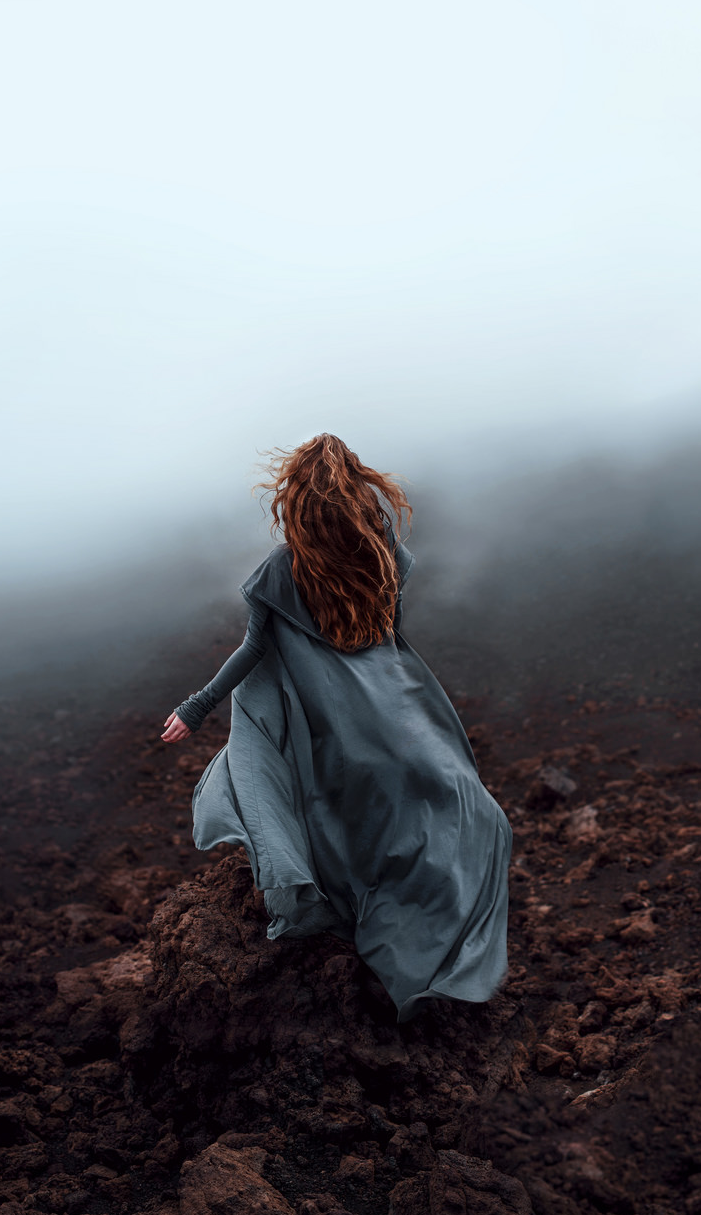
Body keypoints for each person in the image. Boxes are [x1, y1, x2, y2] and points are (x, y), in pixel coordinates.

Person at [160, 434, 510, 1022]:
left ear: (294, 499)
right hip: (394, 696)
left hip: (332, 711)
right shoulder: (384, 551)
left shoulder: (281, 568)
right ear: (358, 488)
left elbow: (253, 651)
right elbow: (392, 631)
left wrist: (196, 707)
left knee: (340, 814)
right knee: (464, 811)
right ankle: (438, 949)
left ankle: (361, 929)